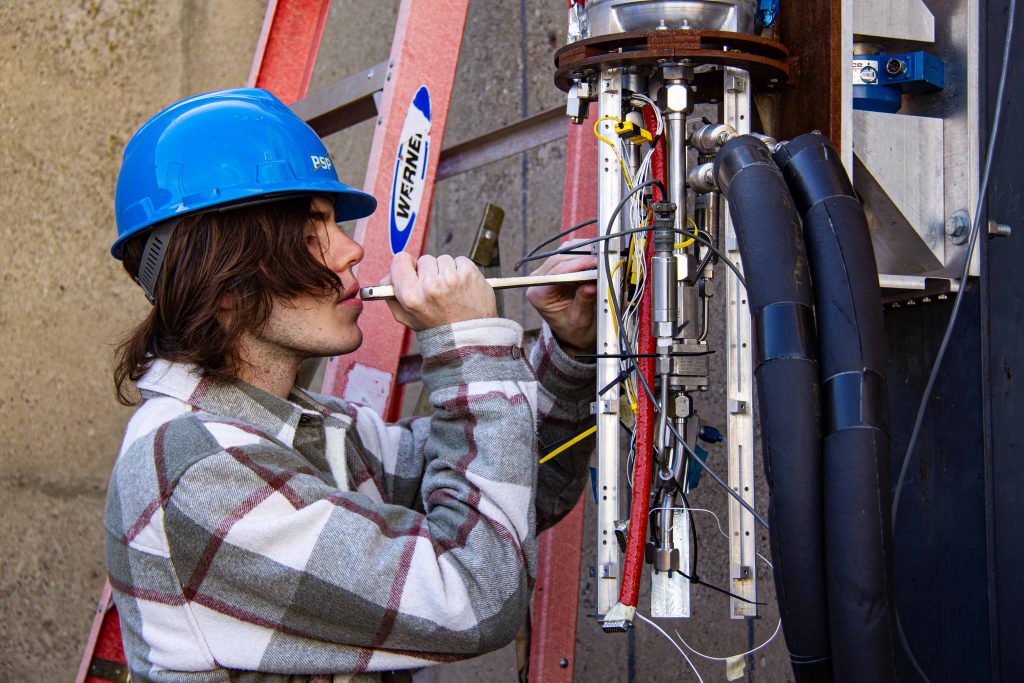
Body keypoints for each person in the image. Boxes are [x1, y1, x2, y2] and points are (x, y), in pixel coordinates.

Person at [104, 88, 598, 682]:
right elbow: (473, 598)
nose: (352, 248)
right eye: (313, 232)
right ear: (224, 280)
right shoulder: (198, 474)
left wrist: (568, 349)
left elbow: (518, 487)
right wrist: (469, 346)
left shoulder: (305, 427)